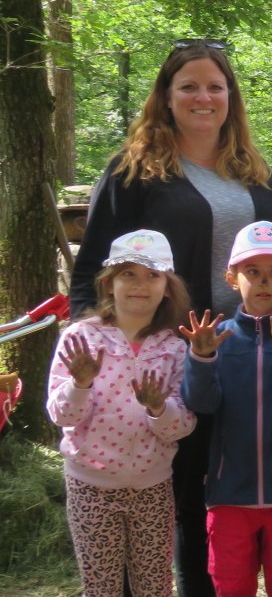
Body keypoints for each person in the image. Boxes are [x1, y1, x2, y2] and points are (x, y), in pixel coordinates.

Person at [68, 39, 272, 597]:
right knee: (183, 497)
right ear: (166, 97)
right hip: (166, 362)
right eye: (189, 86)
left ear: (230, 96)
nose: (203, 97)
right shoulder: (134, 171)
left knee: (237, 500)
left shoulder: (255, 174)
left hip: (250, 360)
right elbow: (92, 268)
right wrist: (93, 347)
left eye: (215, 86)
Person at [47, 230, 195, 596]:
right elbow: (61, 416)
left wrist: (159, 408)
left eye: (152, 275)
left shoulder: (175, 348)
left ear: (167, 287)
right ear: (108, 283)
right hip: (90, 487)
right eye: (128, 274)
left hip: (153, 487)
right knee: (101, 588)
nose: (139, 285)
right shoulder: (81, 337)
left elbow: (182, 426)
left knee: (154, 587)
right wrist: (80, 384)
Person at [180, 220, 272, 597]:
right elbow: (200, 404)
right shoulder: (217, 336)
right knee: (231, 585)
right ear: (232, 278)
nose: (263, 281)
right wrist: (201, 358)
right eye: (252, 271)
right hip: (229, 492)